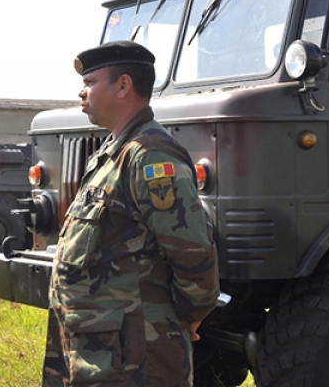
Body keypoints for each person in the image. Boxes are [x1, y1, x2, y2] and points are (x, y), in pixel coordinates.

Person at [43, 41, 220, 387]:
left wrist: (188, 316)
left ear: (123, 85)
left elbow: (192, 250)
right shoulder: (112, 152)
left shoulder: (151, 155)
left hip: (134, 353)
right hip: (100, 346)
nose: (82, 92)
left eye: (90, 82)